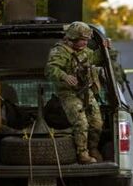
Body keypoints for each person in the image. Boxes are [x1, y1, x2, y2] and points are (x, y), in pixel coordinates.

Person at [45, 21, 104, 164]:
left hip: (85, 92)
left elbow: (96, 58)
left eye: (86, 40)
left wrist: (104, 49)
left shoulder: (84, 51)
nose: (85, 43)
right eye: (82, 40)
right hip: (68, 93)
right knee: (81, 122)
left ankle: (93, 148)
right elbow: (50, 69)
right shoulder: (60, 51)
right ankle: (82, 154)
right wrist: (64, 76)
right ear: (72, 38)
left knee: (97, 123)